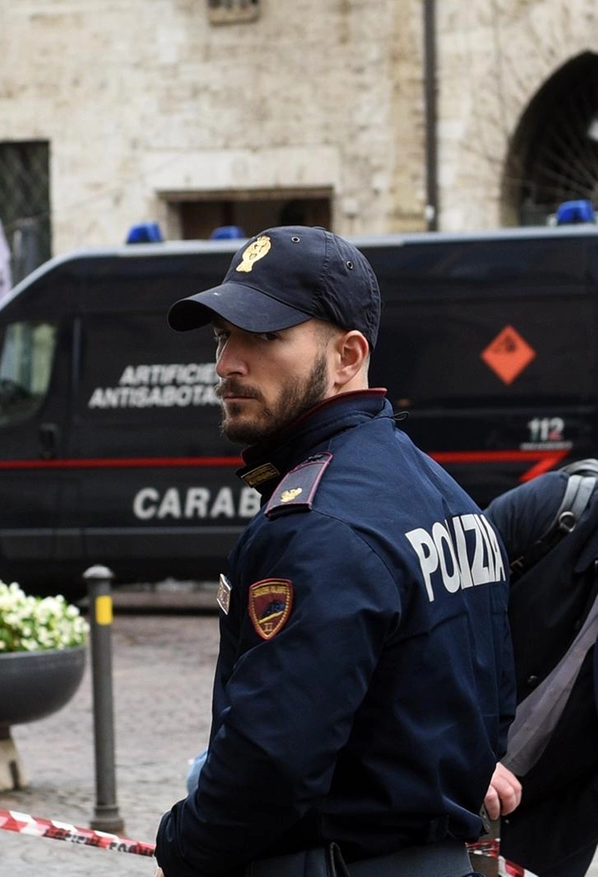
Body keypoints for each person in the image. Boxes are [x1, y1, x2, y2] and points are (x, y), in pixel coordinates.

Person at [153, 226, 516, 877]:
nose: (227, 363)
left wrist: (181, 845)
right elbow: (485, 711)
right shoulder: (445, 495)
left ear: (348, 355)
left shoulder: (319, 524)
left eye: (264, 336)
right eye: (221, 336)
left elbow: (270, 759)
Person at [483, 462, 598, 877]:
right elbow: (427, 634)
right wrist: (463, 753)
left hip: (554, 822)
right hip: (442, 778)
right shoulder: (551, 508)